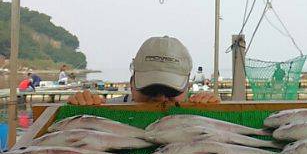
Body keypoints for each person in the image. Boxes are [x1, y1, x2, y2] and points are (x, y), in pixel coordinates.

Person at [68, 36, 221, 107]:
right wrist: (78, 109)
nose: (160, 99)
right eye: (151, 90)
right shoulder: (104, 111)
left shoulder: (198, 113)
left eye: (170, 92)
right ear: (132, 83)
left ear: (187, 88)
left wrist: (215, 111)